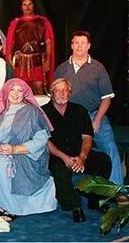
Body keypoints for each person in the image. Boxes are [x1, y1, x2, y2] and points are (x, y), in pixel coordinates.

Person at [0, 78, 57, 218]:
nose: (15, 94)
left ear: (25, 93)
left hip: (23, 154)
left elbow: (41, 139)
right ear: (5, 92)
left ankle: (6, 206)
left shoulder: (32, 111)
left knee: (1, 163)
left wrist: (14, 149)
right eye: (12, 90)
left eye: (20, 90)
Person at [54, 30, 122, 185]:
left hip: (93, 115)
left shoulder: (98, 68)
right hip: (70, 118)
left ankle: (116, 189)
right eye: (76, 43)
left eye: (82, 43)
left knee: (110, 147)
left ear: (88, 46)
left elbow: (107, 98)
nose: (79, 46)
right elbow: (56, 96)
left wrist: (97, 121)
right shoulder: (62, 69)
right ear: (71, 45)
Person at [43, 78, 112, 222]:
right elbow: (46, 142)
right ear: (51, 93)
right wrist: (64, 158)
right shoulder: (43, 113)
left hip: (79, 153)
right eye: (58, 90)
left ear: (70, 93)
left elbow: (87, 137)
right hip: (57, 155)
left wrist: (82, 157)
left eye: (65, 90)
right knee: (59, 169)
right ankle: (75, 206)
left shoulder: (79, 110)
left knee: (103, 161)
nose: (61, 94)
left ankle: (96, 201)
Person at [5, 0, 55, 95]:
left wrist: (48, 60)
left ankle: (39, 112)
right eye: (24, 4)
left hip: (37, 61)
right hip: (20, 63)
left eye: (30, 4)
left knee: (39, 89)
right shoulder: (15, 23)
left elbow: (48, 41)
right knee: (20, 91)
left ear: (33, 5)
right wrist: (9, 60)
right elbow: (10, 44)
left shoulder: (42, 21)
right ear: (21, 6)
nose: (27, 7)